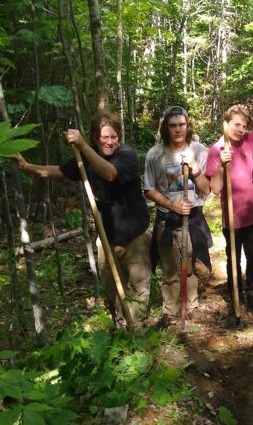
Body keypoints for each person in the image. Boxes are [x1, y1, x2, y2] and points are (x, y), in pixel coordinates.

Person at [15, 112, 151, 326]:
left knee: (139, 289)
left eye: (113, 136)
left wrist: (83, 146)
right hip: (106, 237)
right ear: (95, 137)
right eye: (104, 137)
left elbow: (109, 174)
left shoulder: (126, 155)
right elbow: (58, 171)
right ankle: (121, 329)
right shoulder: (85, 158)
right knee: (113, 290)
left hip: (134, 237)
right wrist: (28, 167)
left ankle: (137, 334)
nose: (109, 142)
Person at [144, 106, 212, 320]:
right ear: (166, 127)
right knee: (169, 269)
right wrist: (172, 205)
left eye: (181, 125)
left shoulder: (200, 150)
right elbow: (149, 190)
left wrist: (194, 168)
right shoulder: (155, 154)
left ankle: (191, 307)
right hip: (168, 218)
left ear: (187, 125)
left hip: (192, 218)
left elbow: (206, 189)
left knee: (190, 266)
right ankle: (171, 311)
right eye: (172, 126)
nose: (177, 130)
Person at [206, 105, 253, 311]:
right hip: (232, 218)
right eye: (236, 124)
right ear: (226, 124)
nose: (240, 129)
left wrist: (248, 115)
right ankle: (235, 293)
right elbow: (214, 188)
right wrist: (222, 164)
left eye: (244, 125)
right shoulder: (216, 150)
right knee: (234, 258)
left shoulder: (248, 140)